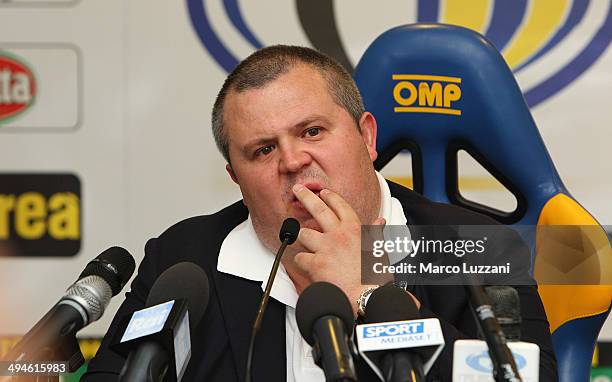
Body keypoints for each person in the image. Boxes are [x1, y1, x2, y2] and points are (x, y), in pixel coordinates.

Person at [83, 45, 557, 381]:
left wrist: (366, 294)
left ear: (367, 138)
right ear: (237, 178)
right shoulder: (184, 259)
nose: (291, 162)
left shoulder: (472, 247)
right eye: (263, 149)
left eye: (311, 132)